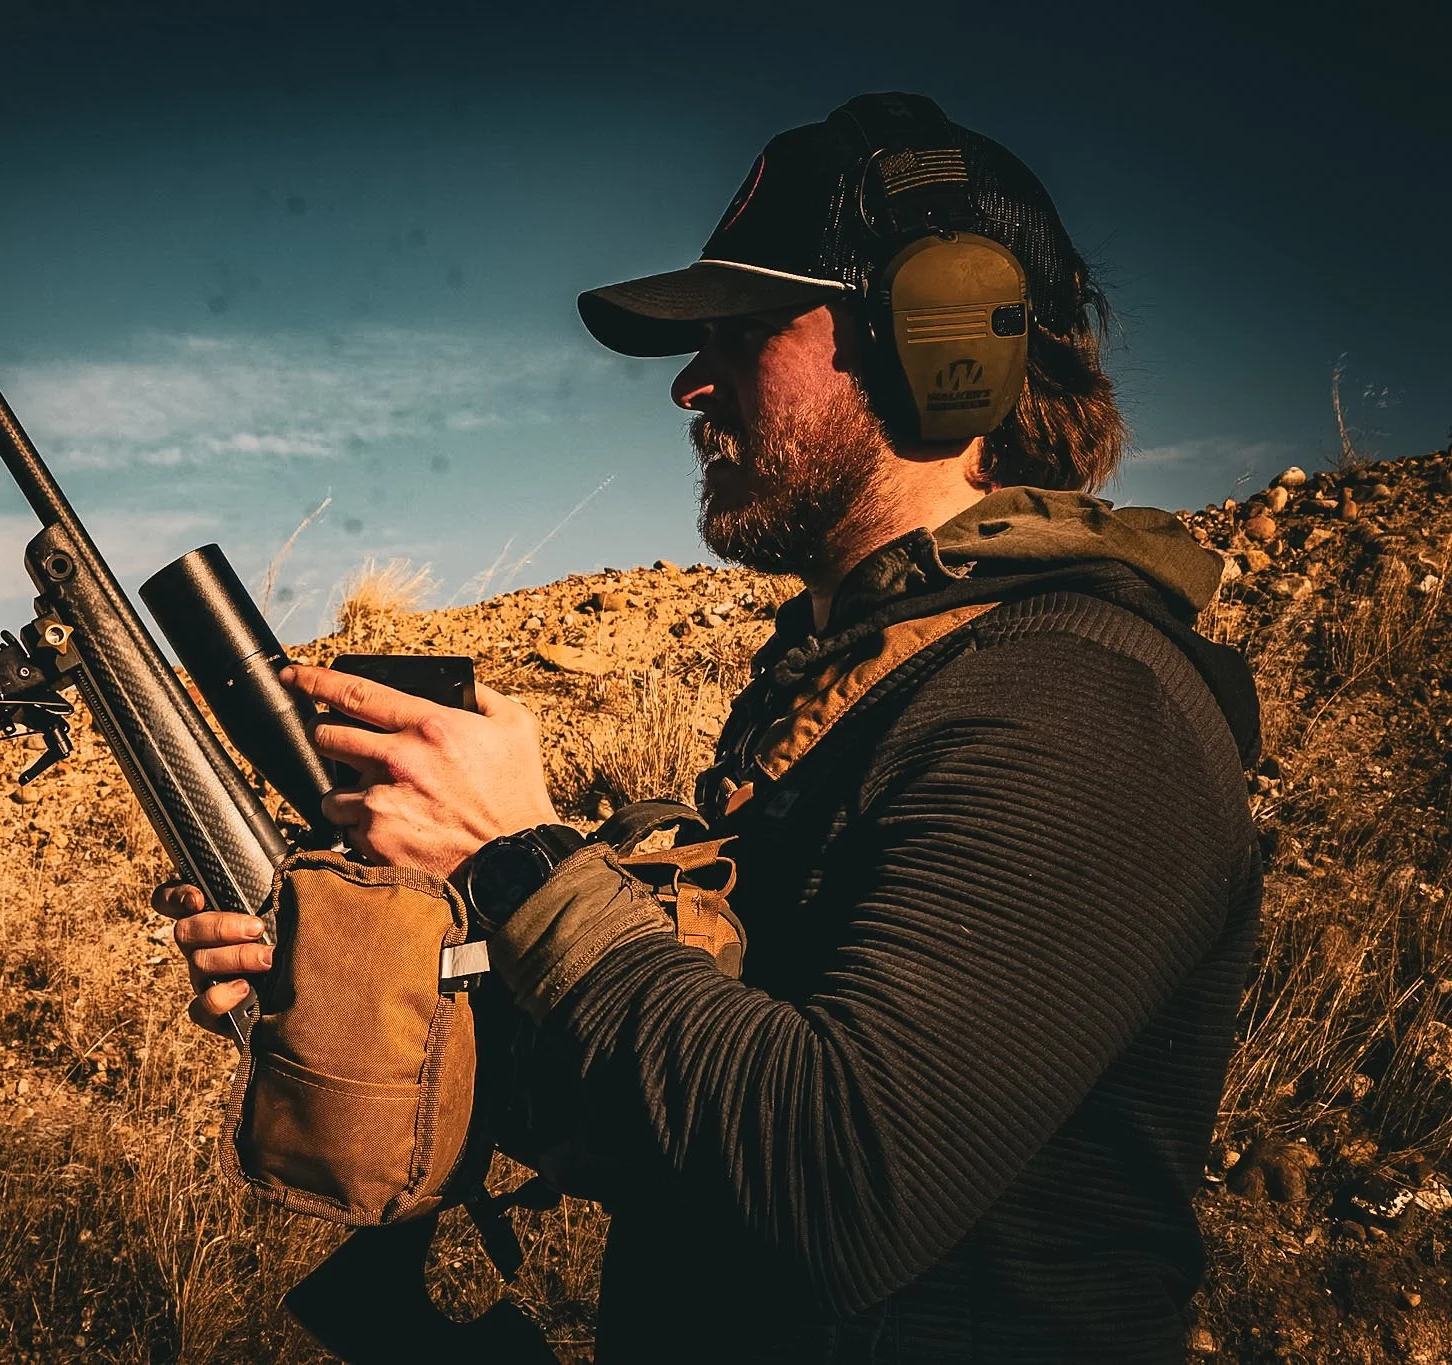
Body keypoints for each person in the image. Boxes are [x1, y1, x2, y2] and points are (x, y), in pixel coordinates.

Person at [155, 92, 1262, 1361]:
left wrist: (516, 862)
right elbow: (688, 1099)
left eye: (743, 329)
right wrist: (373, 989)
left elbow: (843, 1186)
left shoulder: (1077, 700)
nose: (691, 381)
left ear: (935, 338)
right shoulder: (857, 681)